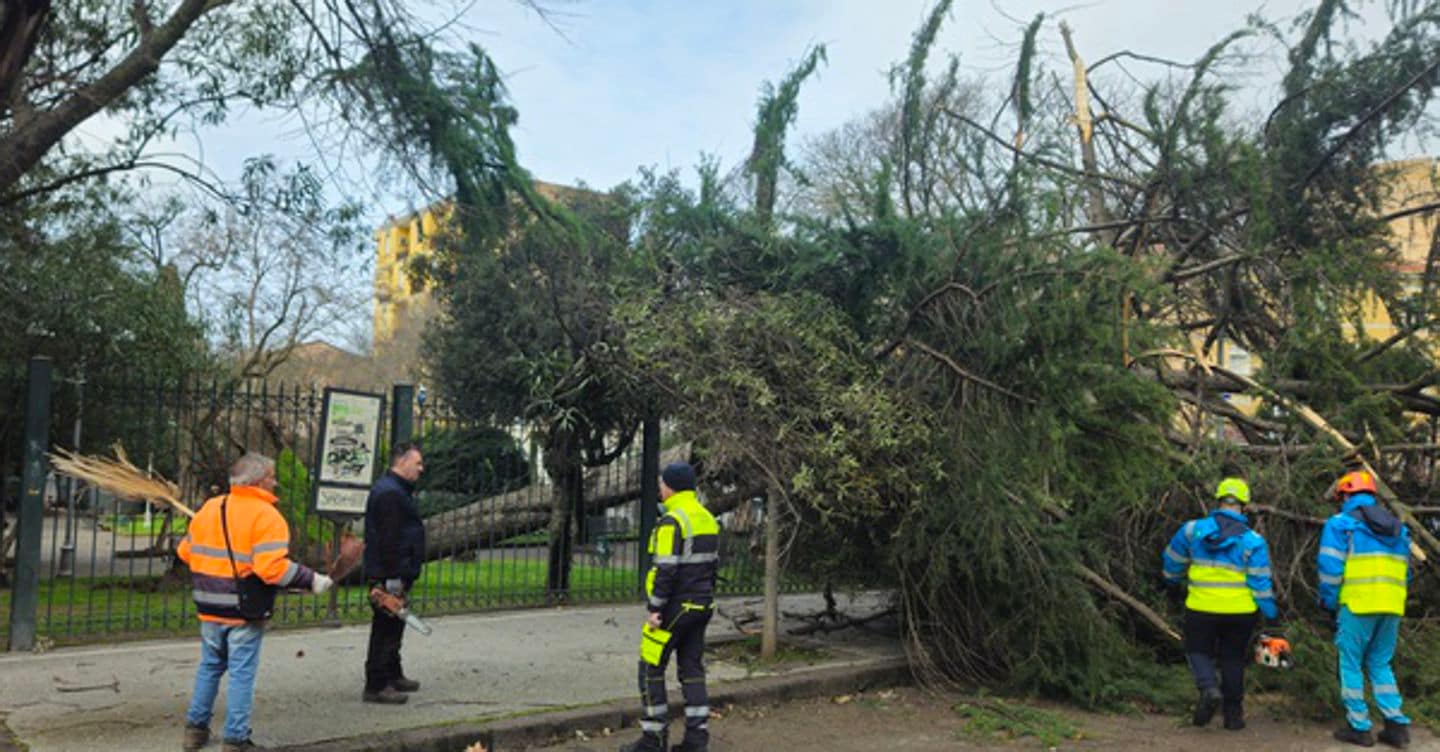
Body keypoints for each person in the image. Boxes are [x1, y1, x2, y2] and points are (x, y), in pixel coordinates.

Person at [179, 453, 333, 752]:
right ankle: (235, 739)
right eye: (272, 477)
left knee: (210, 666)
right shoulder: (267, 517)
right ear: (259, 481)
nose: (275, 483)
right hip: (243, 608)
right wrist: (312, 580)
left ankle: (194, 732)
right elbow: (271, 569)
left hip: (208, 605)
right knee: (241, 673)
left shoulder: (210, 508)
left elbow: (185, 552)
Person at [1162, 477, 1278, 732]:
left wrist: (1171, 582)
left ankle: (1208, 688)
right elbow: (1260, 582)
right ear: (1244, 506)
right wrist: (1270, 613)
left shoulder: (1192, 530)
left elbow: (1172, 560)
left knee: (1197, 650)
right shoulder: (1253, 540)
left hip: (1201, 607)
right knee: (1233, 659)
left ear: (1218, 502)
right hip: (1240, 612)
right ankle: (1233, 716)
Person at [619, 462, 720, 752]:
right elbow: (713, 566)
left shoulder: (672, 521)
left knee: (650, 668)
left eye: (662, 484)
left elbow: (666, 569)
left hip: (674, 608)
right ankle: (697, 741)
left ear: (671, 487)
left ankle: (654, 739)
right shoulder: (707, 518)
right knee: (692, 670)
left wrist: (655, 608)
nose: (660, 489)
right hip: (701, 606)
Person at [1320, 470, 1412, 749]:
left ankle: (1359, 727)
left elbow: (1330, 568)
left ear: (1345, 495)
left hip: (1358, 603)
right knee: (1380, 662)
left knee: (1350, 662)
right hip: (1392, 604)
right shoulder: (1398, 528)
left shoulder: (1341, 524)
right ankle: (1396, 725)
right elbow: (1406, 572)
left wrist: (1328, 602)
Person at [362, 441, 426, 704]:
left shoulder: (394, 490)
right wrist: (393, 578)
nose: (421, 468)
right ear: (402, 461)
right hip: (390, 572)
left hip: (393, 570)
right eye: (417, 463)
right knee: (386, 627)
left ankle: (392, 673)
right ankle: (377, 683)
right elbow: (390, 540)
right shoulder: (391, 494)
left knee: (394, 623)